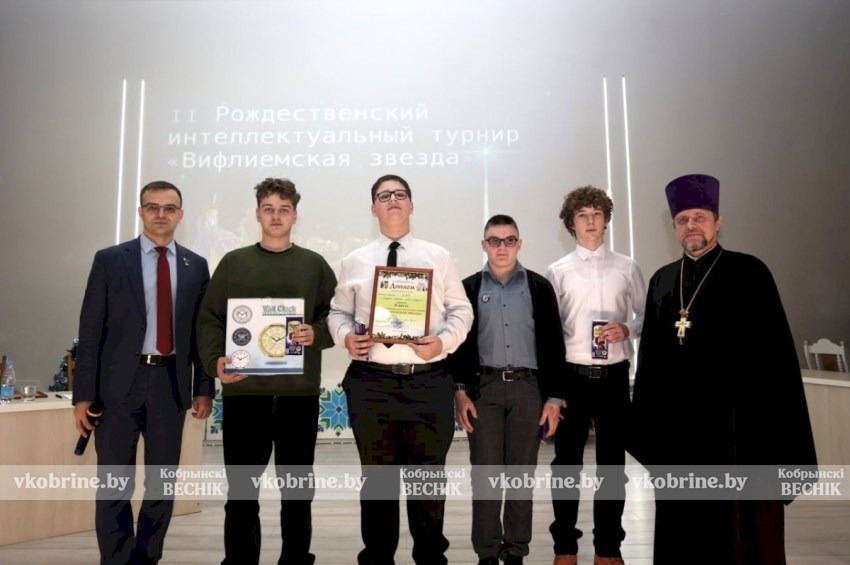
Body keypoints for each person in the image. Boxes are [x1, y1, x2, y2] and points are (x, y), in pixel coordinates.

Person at [628, 174, 817, 564]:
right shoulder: (663, 280)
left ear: (718, 221)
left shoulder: (750, 273)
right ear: (674, 227)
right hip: (680, 437)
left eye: (699, 217)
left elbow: (777, 359)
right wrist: (650, 427)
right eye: (682, 220)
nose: (691, 226)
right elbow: (650, 363)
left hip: (739, 435)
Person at [328, 173, 474, 565]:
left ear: (411, 204)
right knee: (377, 484)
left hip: (429, 383)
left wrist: (443, 342)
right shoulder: (354, 260)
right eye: (384, 195)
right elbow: (337, 313)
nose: (392, 199)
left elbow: (462, 310)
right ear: (373, 208)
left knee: (428, 483)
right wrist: (346, 337)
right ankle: (378, 558)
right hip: (371, 384)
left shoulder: (438, 257)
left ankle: (430, 559)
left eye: (400, 194)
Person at [195, 178, 337, 565]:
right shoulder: (233, 263)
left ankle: (295, 559)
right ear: (257, 214)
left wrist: (318, 333)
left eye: (284, 209)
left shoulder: (314, 265)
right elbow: (209, 319)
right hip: (245, 394)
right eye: (269, 209)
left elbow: (336, 315)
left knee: (297, 493)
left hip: (298, 397)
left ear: (295, 215)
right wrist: (215, 360)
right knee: (242, 493)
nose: (276, 216)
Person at [74, 180, 213, 564]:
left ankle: (148, 557)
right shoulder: (110, 260)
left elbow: (202, 334)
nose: (160, 214)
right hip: (117, 387)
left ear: (180, 215)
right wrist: (83, 395)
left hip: (170, 385)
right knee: (114, 483)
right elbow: (90, 331)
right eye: (152, 207)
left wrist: (204, 387)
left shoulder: (196, 266)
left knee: (161, 484)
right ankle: (116, 559)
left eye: (169, 208)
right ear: (140, 212)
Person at [451, 214, 566, 565]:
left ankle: (515, 550)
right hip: (482, 391)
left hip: (528, 390)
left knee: (521, 476)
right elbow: (458, 345)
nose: (502, 247)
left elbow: (554, 343)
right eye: (495, 241)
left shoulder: (539, 287)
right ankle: (487, 553)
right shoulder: (468, 288)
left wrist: (554, 397)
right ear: (484, 245)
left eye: (509, 240)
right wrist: (459, 391)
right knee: (485, 477)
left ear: (519, 243)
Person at [546, 186, 646, 565]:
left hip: (615, 378)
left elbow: (646, 315)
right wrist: (552, 390)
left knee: (612, 466)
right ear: (571, 223)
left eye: (597, 213)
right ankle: (565, 547)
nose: (590, 221)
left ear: (606, 220)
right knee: (566, 466)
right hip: (571, 378)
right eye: (582, 215)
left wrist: (629, 329)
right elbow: (550, 333)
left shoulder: (628, 267)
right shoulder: (557, 271)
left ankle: (608, 547)